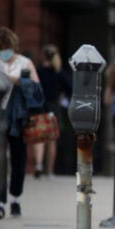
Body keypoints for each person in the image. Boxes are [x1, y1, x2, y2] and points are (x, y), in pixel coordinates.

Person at [0, 26, 43, 219]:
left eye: (6, 47)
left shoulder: (25, 63)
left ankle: (15, 198)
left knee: (19, 161)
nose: (4, 51)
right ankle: (0, 202)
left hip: (18, 119)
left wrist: (18, 81)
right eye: (0, 47)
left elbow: (37, 90)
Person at [34, 44, 72, 179]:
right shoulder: (59, 72)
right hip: (54, 107)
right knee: (52, 140)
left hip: (40, 106)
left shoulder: (38, 70)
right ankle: (50, 171)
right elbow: (70, 87)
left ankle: (38, 164)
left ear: (43, 55)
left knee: (39, 137)